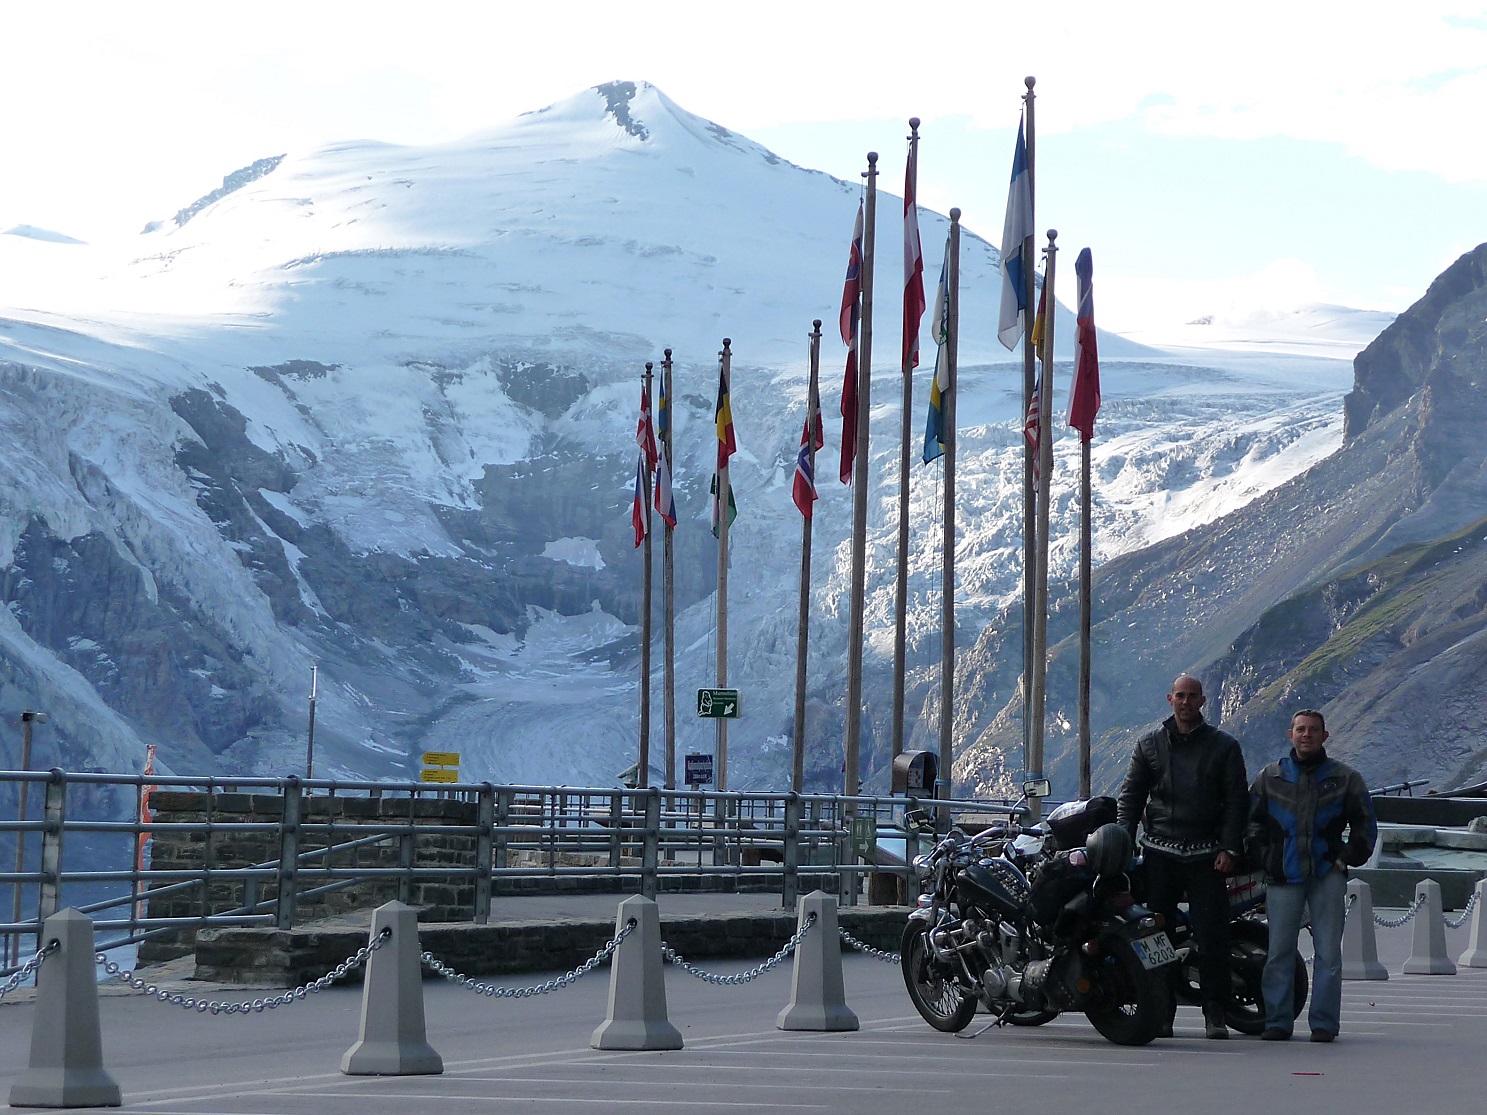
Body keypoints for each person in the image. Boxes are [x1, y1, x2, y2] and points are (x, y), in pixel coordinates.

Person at [1117, 674, 1249, 1039]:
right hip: (1159, 854)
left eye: (1192, 696)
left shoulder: (1225, 746)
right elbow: (1131, 798)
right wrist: (1122, 843)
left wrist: (1230, 848)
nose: (1186, 702)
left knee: (1212, 937)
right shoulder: (1148, 745)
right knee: (1155, 940)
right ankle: (1162, 1013)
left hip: (1208, 856)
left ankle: (1215, 1013)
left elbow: (1238, 802)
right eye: (1180, 695)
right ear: (1169, 699)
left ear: (1203, 701)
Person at [1246, 709, 1376, 1043]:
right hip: (1283, 876)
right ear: (1290, 734)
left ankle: (1324, 1024)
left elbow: (1365, 823)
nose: (1307, 735)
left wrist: (1347, 857)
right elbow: (1251, 823)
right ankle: (1277, 1020)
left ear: (1324, 736)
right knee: (1278, 952)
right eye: (1301, 729)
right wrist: (1266, 858)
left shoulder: (1345, 778)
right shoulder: (1270, 776)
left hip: (1326, 875)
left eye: (1313, 730)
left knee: (1329, 953)